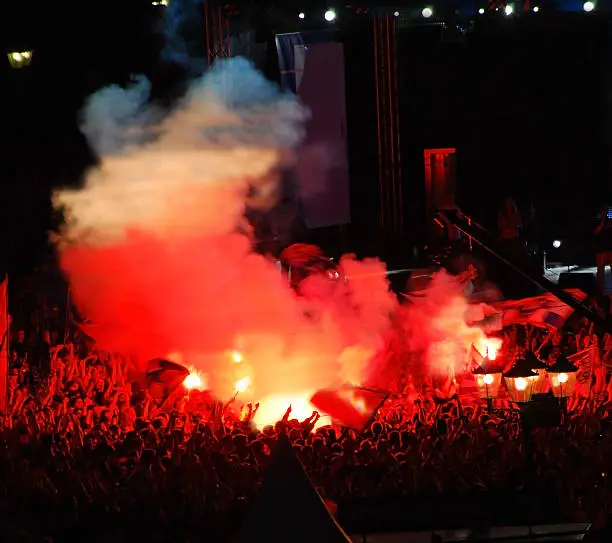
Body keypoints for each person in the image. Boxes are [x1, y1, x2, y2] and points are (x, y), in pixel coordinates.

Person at [594, 208, 612, 295]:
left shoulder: (610, 221)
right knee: (600, 271)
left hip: (610, 249)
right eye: (603, 211)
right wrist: (602, 221)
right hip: (601, 249)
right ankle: (599, 291)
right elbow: (596, 232)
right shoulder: (597, 221)